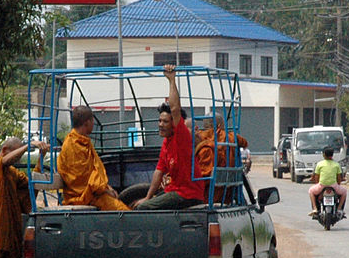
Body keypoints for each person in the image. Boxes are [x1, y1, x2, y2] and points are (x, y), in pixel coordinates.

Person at [135, 64, 205, 210]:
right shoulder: (166, 143)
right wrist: (147, 197)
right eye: (159, 121)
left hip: (187, 194)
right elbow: (158, 171)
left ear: (175, 123)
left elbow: (174, 108)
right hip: (174, 191)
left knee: (143, 209)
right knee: (138, 204)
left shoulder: (181, 135)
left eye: (165, 121)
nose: (160, 124)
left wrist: (171, 80)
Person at [57, 106, 131, 211]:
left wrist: (107, 188)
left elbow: (93, 172)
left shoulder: (84, 142)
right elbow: (79, 181)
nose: (93, 124)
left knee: (122, 208)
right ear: (87, 122)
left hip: (94, 194)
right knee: (123, 212)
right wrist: (104, 191)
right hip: (81, 197)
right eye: (92, 121)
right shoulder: (71, 145)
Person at [194, 113, 248, 203]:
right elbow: (245, 143)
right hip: (225, 195)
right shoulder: (231, 138)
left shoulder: (199, 138)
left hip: (205, 195)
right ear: (219, 125)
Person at [308, 146, 347, 217]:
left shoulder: (319, 164)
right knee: (344, 192)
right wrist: (337, 185)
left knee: (311, 191)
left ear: (324, 154)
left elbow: (316, 177)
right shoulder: (337, 164)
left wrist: (318, 186)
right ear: (332, 155)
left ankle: (315, 208)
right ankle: (339, 209)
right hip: (334, 186)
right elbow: (339, 178)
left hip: (321, 186)